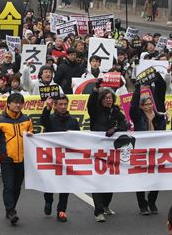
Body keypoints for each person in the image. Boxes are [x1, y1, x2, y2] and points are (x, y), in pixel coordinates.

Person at [0, 93, 33, 225]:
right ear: (8, 104)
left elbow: (32, 135)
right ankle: (11, 211)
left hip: (23, 158)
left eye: (20, 103)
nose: (18, 105)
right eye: (15, 102)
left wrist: (31, 135)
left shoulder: (27, 119)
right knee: (9, 186)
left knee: (17, 187)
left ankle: (11, 209)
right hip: (7, 158)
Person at [87, 80, 129, 222]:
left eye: (110, 98)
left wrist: (116, 129)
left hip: (112, 152)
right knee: (98, 180)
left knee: (111, 180)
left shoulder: (116, 111)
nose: (108, 100)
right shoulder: (95, 111)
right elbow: (90, 104)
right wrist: (95, 90)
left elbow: (125, 124)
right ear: (101, 100)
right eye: (105, 98)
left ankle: (105, 206)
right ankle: (98, 211)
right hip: (98, 151)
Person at [40, 94, 80, 222]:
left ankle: (61, 210)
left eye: (65, 104)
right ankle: (48, 200)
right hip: (51, 156)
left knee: (65, 185)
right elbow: (43, 122)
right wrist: (47, 108)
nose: (63, 107)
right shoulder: (50, 119)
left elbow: (79, 138)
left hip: (66, 157)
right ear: (55, 106)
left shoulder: (73, 121)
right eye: (60, 104)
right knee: (49, 183)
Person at [129, 84, 160, 215]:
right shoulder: (138, 116)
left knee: (156, 178)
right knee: (140, 178)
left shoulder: (158, 116)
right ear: (141, 106)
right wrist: (137, 90)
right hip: (141, 150)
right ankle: (142, 205)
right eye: (146, 104)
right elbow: (133, 106)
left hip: (155, 150)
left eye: (150, 104)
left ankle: (152, 201)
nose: (149, 106)